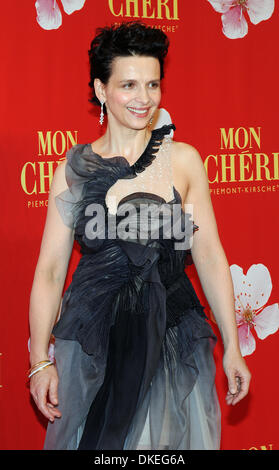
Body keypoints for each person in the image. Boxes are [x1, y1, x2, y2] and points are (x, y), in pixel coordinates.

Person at [28, 21, 251, 450]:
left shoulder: (184, 161)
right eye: (128, 84)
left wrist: (233, 347)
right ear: (100, 89)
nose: (143, 98)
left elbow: (209, 255)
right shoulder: (74, 170)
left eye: (152, 84)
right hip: (97, 339)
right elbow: (51, 271)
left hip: (173, 333)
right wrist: (40, 361)